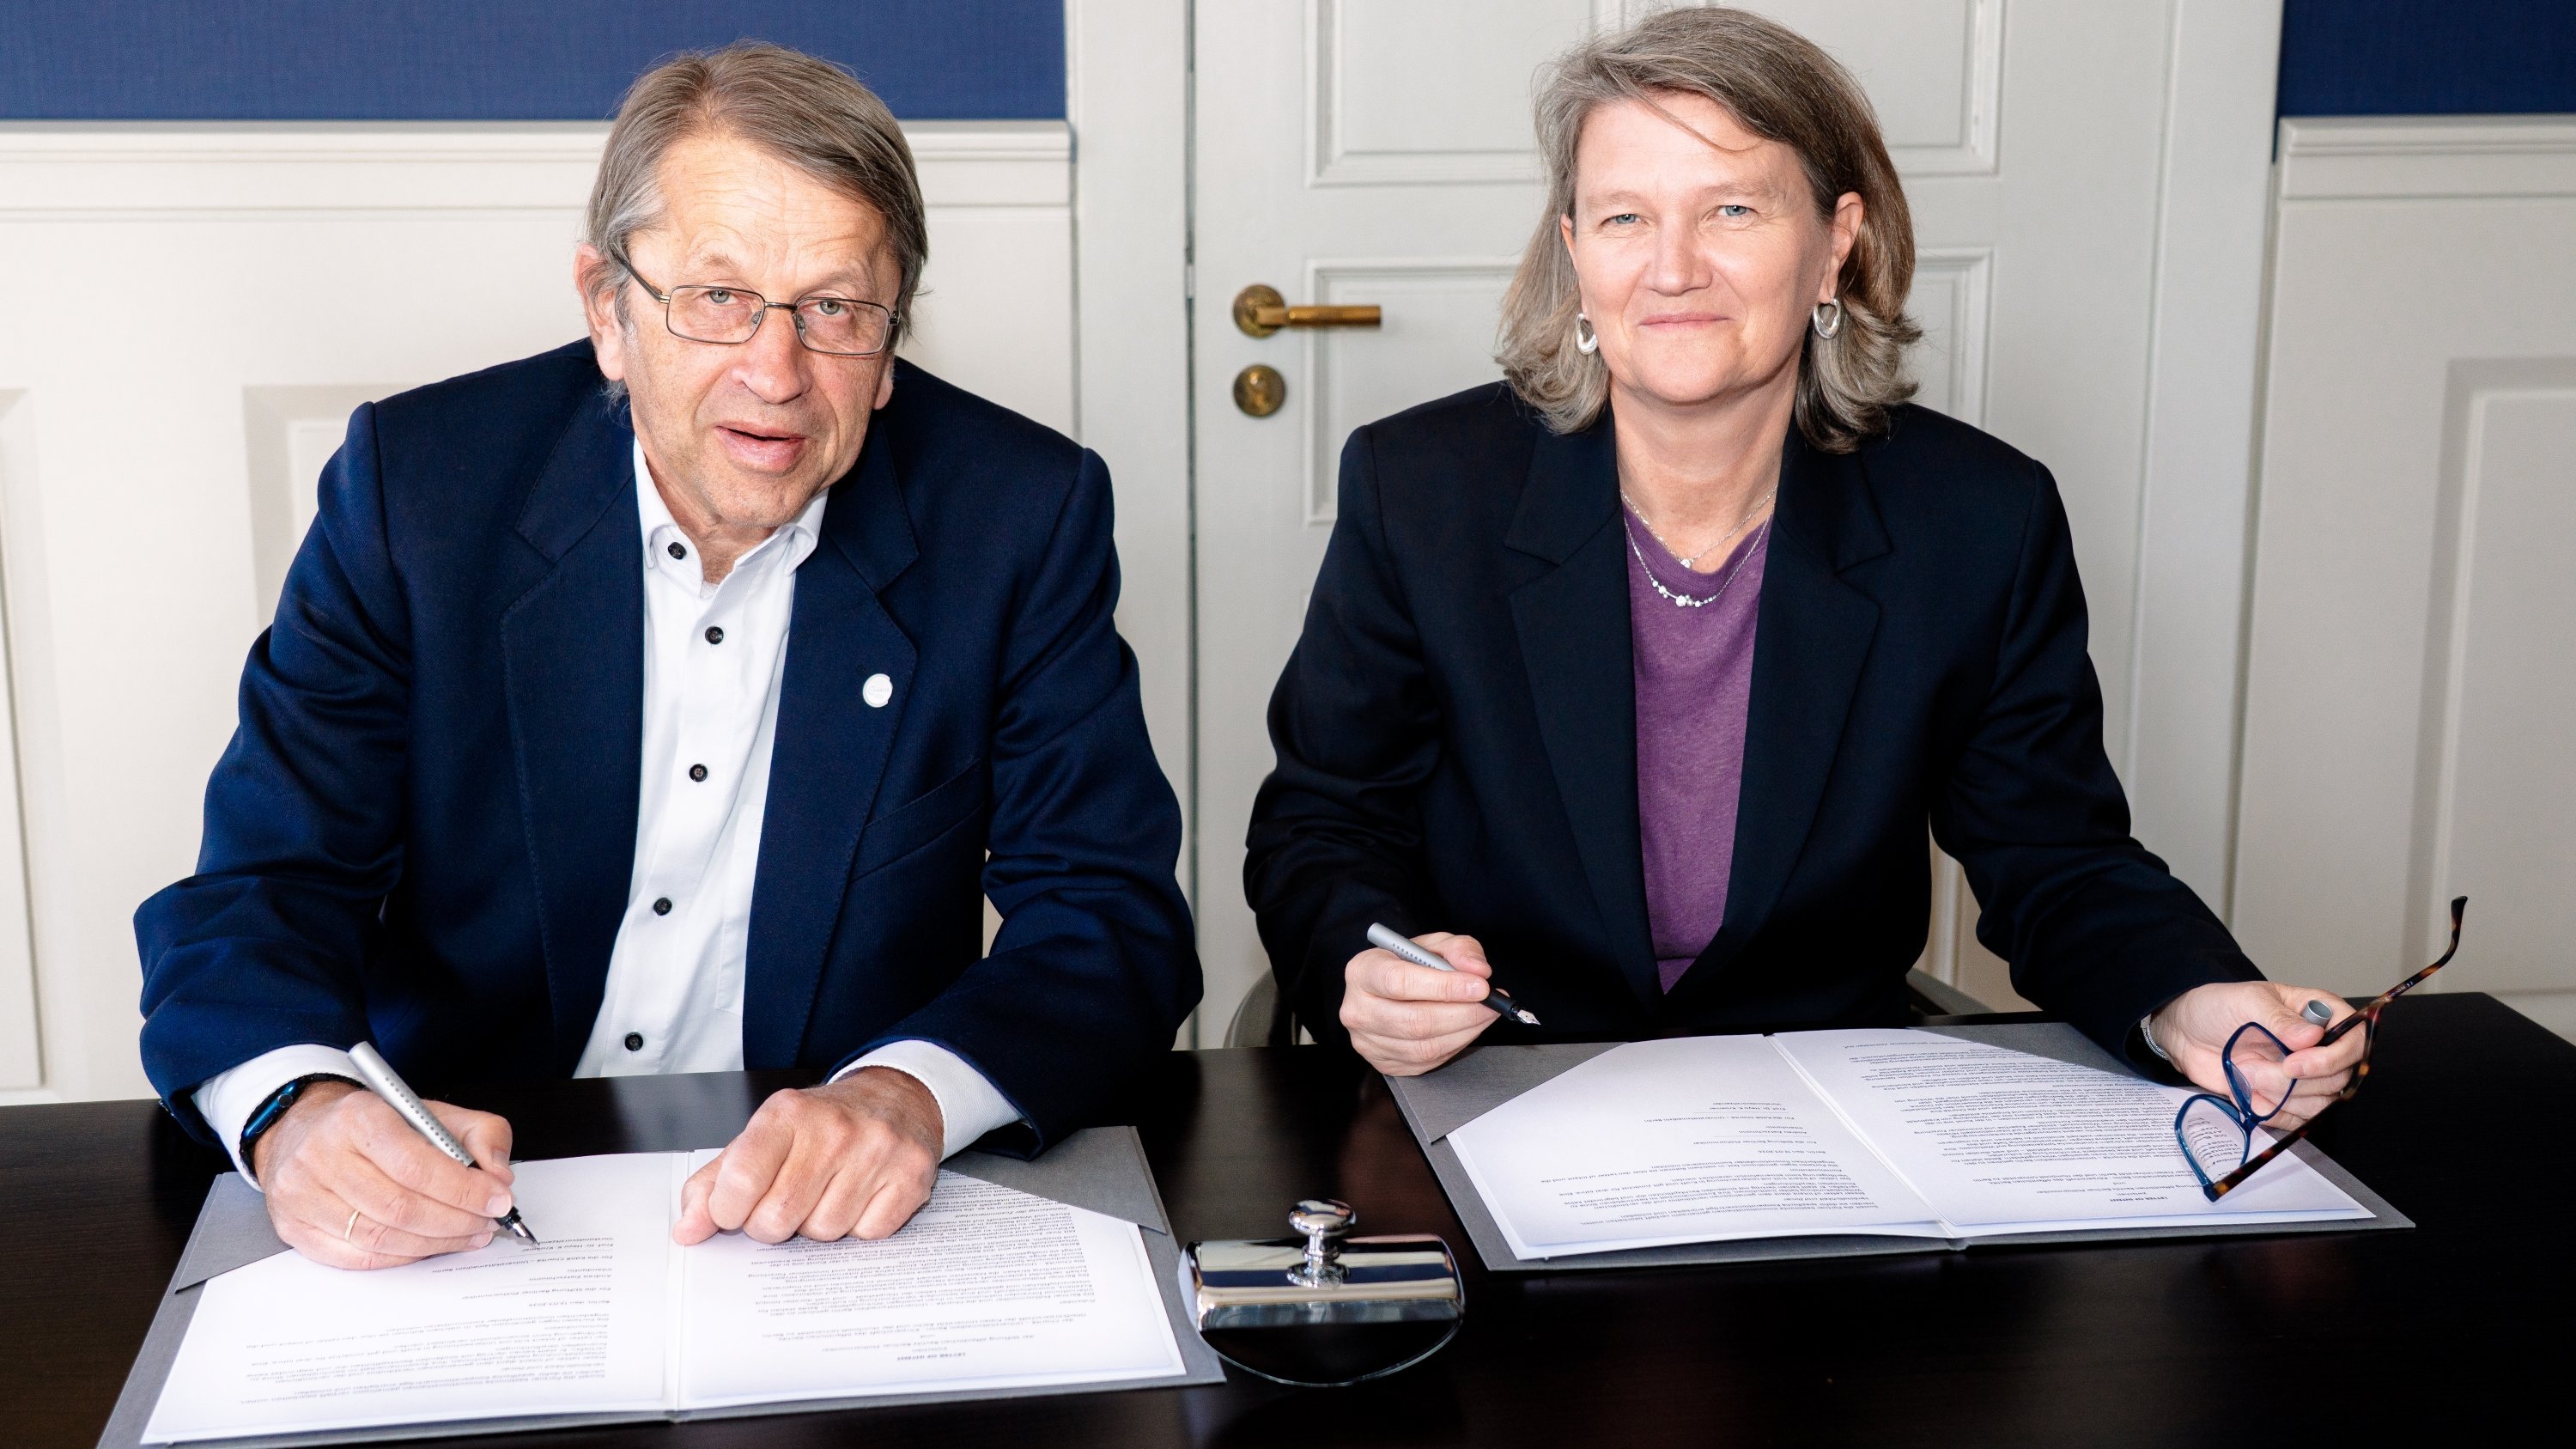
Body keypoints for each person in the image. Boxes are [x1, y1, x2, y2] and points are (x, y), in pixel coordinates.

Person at [135, 44, 1198, 1269]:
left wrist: (907, 1095)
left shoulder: (1018, 515)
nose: (777, 373)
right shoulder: (420, 495)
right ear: (608, 310)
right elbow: (262, 886)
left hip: (831, 1223)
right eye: (719, 296)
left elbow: (1107, 918)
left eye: (836, 309)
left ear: (892, 335)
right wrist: (298, 1109)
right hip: (474, 1197)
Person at [1243, 8, 2362, 1124]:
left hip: (1824, 1119)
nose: (1673, 268)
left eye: (1732, 209)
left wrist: (2186, 1000)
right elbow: (1323, 826)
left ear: (1836, 243)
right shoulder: (1422, 492)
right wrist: (1363, 969)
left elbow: (2054, 854)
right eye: (1626, 217)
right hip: (1500, 1094)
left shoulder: (1977, 519)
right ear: (1576, 252)